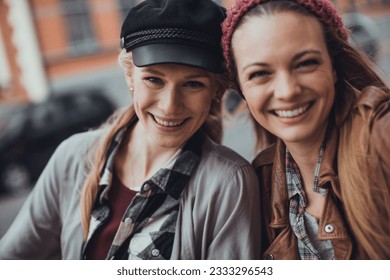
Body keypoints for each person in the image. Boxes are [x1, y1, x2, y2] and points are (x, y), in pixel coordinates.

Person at [0, 0, 261, 260]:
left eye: (193, 84)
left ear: (216, 90)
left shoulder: (228, 184)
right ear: (129, 76)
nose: (169, 106)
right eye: (153, 79)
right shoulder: (72, 157)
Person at [221, 0, 390, 259]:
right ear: (241, 90)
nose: (288, 91)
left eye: (305, 63)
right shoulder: (262, 182)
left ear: (333, 67)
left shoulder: (381, 136)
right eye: (259, 74)